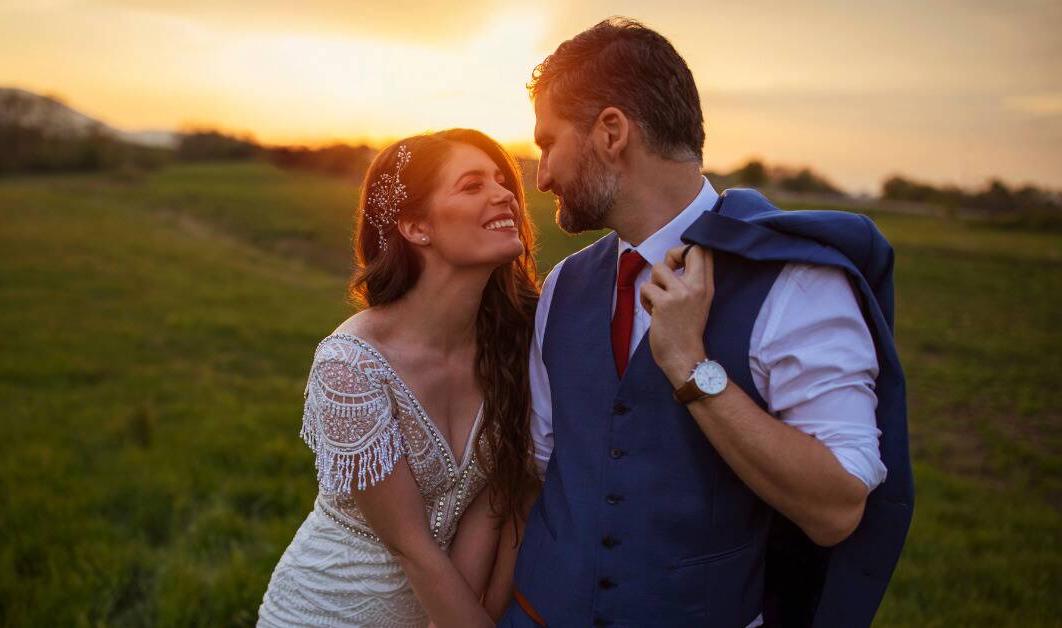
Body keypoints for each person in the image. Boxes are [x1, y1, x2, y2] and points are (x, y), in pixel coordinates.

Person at [498, 18, 912, 627]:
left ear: (611, 132)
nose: (542, 176)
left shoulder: (797, 285)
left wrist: (691, 367)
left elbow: (837, 509)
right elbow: (541, 470)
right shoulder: (563, 288)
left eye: (548, 143)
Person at [257, 128, 540, 627]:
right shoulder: (352, 365)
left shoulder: (513, 341)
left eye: (501, 180)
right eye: (472, 185)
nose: (503, 194)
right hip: (327, 611)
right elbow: (411, 546)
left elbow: (496, 502)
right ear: (416, 227)